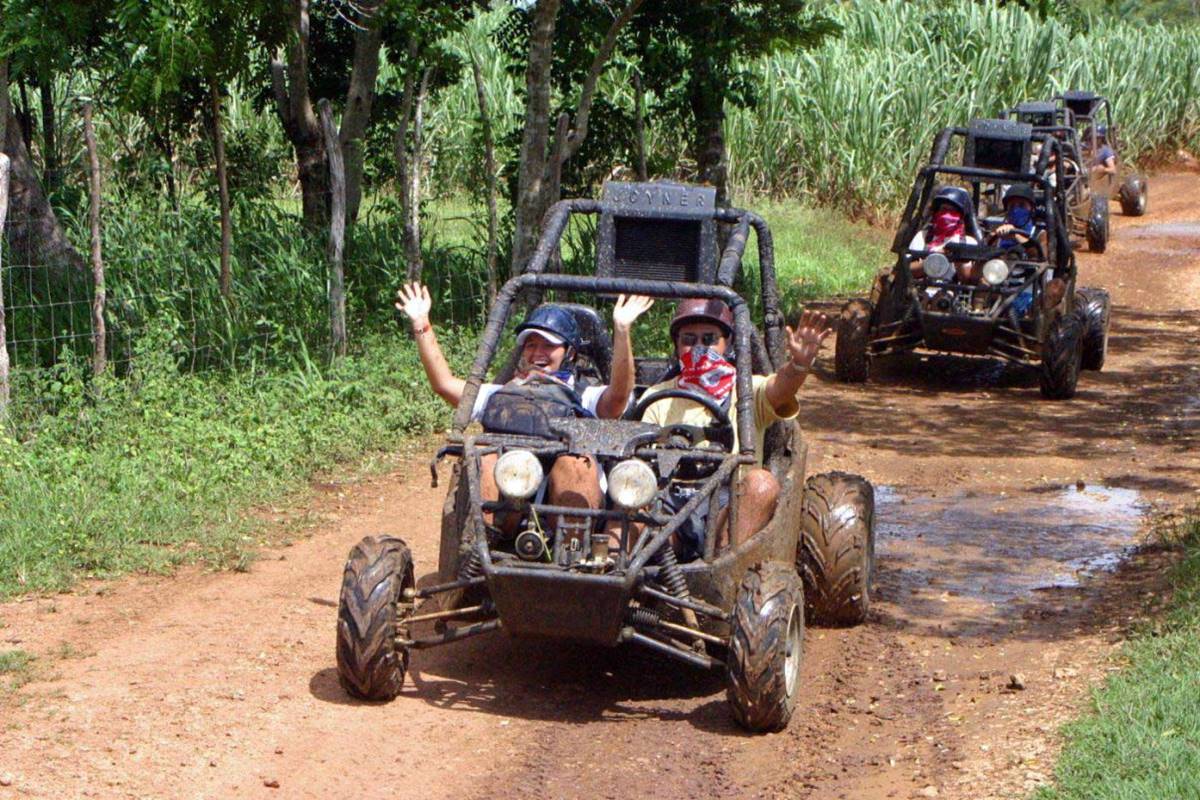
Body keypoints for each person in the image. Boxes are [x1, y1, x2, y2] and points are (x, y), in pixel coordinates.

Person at [395, 282, 654, 533]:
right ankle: (485, 544)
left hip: (571, 510)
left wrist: (621, 329)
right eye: (531, 344)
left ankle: (573, 553)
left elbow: (619, 395)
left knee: (574, 464)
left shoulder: (585, 395)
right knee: (485, 456)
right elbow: (444, 385)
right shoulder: (503, 393)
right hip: (511, 491)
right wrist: (421, 325)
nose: (538, 352)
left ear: (570, 353)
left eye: (548, 345)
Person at [635, 298, 830, 559]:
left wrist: (799, 365)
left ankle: (724, 575)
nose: (699, 347)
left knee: (762, 483)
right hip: (671, 504)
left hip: (731, 503)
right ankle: (612, 579)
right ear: (676, 346)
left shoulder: (747, 390)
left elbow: (782, 388)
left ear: (727, 344)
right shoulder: (658, 396)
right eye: (689, 339)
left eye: (709, 339)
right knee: (630, 496)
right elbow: (638, 460)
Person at [908, 186, 979, 281]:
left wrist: (958, 258)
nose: (947, 215)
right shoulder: (922, 237)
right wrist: (936, 258)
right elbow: (907, 270)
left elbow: (967, 278)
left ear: (960, 216)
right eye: (944, 209)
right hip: (921, 289)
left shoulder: (968, 242)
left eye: (953, 211)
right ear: (937, 212)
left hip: (953, 291)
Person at [988, 183, 1037, 251]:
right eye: (1012, 206)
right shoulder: (1000, 234)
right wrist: (992, 237)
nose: (1016, 210)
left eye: (1022, 205)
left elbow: (1040, 255)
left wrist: (1015, 235)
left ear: (1032, 209)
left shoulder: (1039, 233)